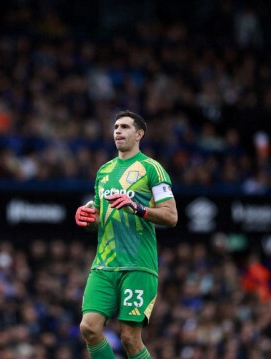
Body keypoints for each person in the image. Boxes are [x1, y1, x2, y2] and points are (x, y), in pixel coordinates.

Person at [75, 110, 178, 359]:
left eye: (124, 127)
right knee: (89, 327)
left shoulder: (152, 168)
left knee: (130, 339)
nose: (118, 131)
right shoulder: (104, 171)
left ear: (139, 133)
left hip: (138, 264)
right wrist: (89, 219)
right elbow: (101, 216)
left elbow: (171, 216)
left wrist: (138, 208)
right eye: (115, 127)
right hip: (104, 264)